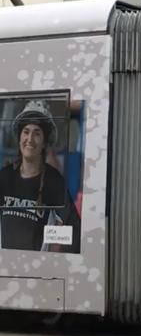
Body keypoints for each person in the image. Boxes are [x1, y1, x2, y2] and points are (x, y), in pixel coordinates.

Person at [0, 100, 81, 253]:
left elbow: (74, 231)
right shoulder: (4, 176)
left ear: (44, 142)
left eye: (37, 133)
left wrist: (55, 257)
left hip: (36, 270)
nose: (30, 139)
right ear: (19, 138)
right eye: (26, 132)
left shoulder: (54, 182)